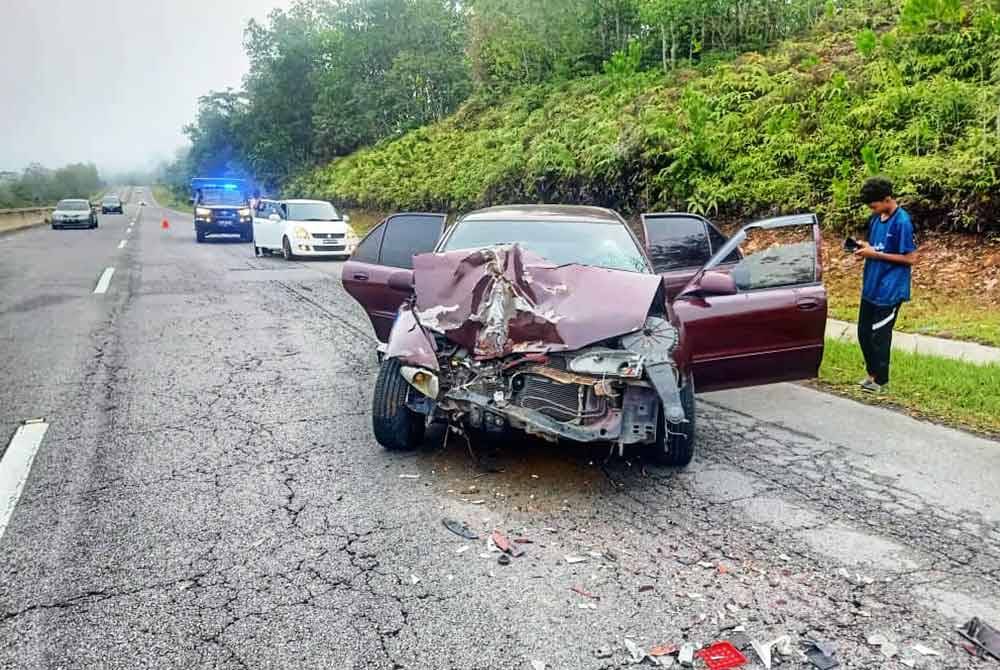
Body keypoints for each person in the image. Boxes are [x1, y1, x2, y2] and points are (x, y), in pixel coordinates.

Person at [854, 176, 918, 393]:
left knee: (879, 336)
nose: (873, 210)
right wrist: (865, 248)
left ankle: (881, 381)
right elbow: (876, 247)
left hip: (890, 289)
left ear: (887, 198)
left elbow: (910, 258)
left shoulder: (902, 222)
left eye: (875, 205)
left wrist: (876, 254)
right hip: (871, 285)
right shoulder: (875, 219)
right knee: (863, 333)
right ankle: (871, 375)